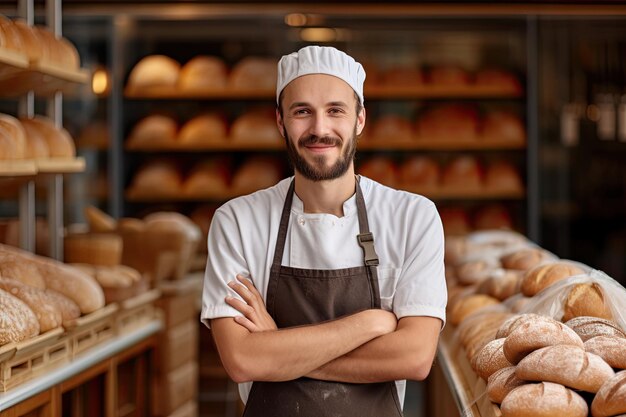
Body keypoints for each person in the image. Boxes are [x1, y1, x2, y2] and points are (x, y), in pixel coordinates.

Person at [201, 45, 447, 417]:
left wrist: (275, 348)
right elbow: (241, 360)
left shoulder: (413, 217)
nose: (319, 129)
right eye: (302, 112)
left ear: (360, 120)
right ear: (281, 122)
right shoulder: (237, 222)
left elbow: (413, 357)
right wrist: (371, 323)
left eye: (335, 110)